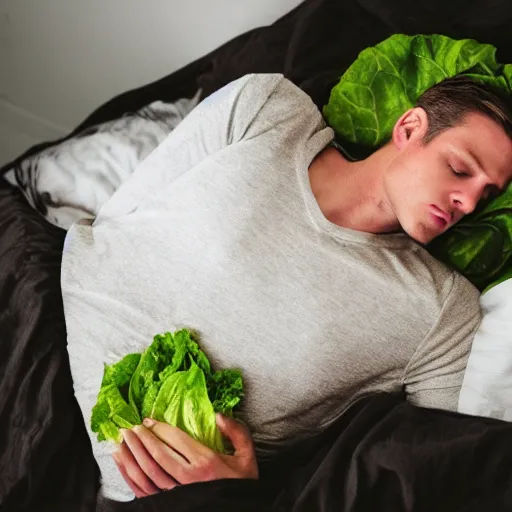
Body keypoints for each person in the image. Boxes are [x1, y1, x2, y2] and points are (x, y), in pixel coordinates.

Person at [61, 73, 512, 501]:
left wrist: (240, 492)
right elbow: (114, 224)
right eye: (458, 169)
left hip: (168, 500)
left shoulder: (442, 310)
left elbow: (437, 476)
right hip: (47, 345)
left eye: (487, 194)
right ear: (410, 128)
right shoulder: (266, 109)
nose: (468, 203)